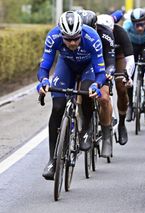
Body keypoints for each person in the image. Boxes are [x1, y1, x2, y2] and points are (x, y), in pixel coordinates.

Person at [37, 11, 106, 180]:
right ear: (61, 34)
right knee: (58, 106)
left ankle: (86, 129)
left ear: (81, 32)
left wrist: (97, 85)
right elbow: (44, 67)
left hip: (88, 67)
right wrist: (44, 81)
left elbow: (100, 72)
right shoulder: (53, 37)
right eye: (68, 39)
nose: (73, 42)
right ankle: (53, 160)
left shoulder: (92, 38)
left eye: (76, 38)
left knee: (87, 91)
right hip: (66, 65)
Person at [77, 10, 115, 157]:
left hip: (100, 66)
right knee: (74, 93)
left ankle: (106, 134)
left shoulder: (105, 34)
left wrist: (109, 73)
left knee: (104, 98)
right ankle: (79, 124)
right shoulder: (74, 34)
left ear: (96, 27)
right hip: (80, 65)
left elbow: (110, 61)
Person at [97, 14, 135, 145]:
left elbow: (130, 59)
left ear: (113, 29)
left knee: (121, 87)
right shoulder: (95, 33)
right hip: (100, 59)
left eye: (110, 31)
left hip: (118, 58)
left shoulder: (121, 33)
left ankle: (122, 124)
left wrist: (127, 75)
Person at [123, 8, 145, 121]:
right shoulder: (126, 26)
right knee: (129, 76)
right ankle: (130, 107)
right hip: (133, 47)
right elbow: (123, 39)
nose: (140, 28)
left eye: (142, 24)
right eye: (136, 25)